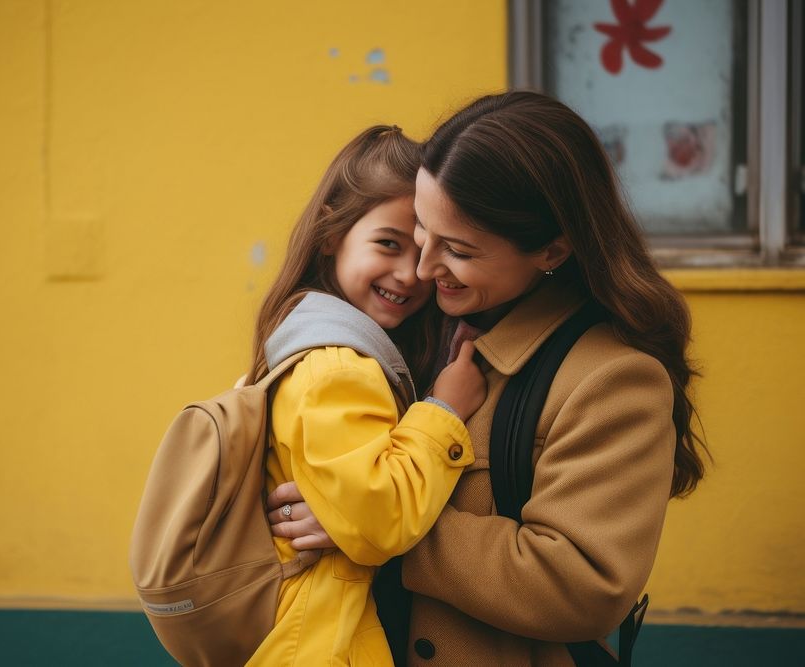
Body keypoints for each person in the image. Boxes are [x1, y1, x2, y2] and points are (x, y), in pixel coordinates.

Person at [268, 91, 708, 665]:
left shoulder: (612, 380)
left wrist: (373, 526)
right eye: (421, 228)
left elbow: (579, 587)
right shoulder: (416, 328)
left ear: (551, 250)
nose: (424, 269)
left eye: (458, 250)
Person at [243, 124, 488, 666]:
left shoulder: (315, 343)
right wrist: (443, 411)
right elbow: (379, 519)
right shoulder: (336, 366)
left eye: (423, 250)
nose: (411, 273)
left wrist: (342, 516)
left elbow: (358, 508)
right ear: (332, 234)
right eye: (388, 244)